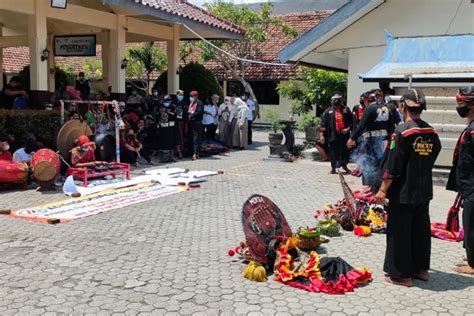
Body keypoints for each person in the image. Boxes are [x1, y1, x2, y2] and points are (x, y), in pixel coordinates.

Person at [374, 89, 441, 287]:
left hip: (403, 191)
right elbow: (432, 155)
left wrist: (383, 189)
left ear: (403, 106)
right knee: (420, 231)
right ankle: (421, 270)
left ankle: (401, 276)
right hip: (423, 190)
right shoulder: (432, 132)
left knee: (400, 232)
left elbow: (393, 165)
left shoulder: (402, 132)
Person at [447, 86, 474, 275]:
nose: (460, 107)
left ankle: (473, 264)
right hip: (468, 186)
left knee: (471, 224)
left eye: (463, 104)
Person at [348, 89, 395, 187]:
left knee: (368, 165)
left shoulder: (369, 109)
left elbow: (361, 126)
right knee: (380, 166)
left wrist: (352, 138)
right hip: (384, 143)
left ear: (367, 100)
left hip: (371, 144)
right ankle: (379, 187)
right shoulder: (386, 109)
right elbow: (391, 128)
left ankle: (369, 189)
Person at [320, 92, 353, 174]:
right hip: (332, 135)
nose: (336, 101)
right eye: (334, 100)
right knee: (333, 152)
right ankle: (333, 168)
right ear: (331, 101)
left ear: (341, 100)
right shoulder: (328, 111)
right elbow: (323, 124)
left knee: (345, 151)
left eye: (337, 99)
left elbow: (352, 122)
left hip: (344, 136)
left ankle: (344, 166)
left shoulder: (346, 110)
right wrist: (322, 136)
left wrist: (348, 129)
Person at [156, 95, 177, 161]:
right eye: (165, 100)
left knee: (170, 142)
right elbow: (156, 114)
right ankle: (163, 158)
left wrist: (169, 112)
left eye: (168, 100)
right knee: (163, 142)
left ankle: (171, 157)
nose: (166, 102)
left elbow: (176, 115)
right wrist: (161, 111)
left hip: (170, 127)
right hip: (162, 127)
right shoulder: (161, 106)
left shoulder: (173, 106)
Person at [188, 90, 204, 160]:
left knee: (196, 138)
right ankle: (193, 152)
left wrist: (192, 115)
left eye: (192, 96)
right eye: (190, 96)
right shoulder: (191, 103)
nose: (191, 98)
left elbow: (198, 112)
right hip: (191, 122)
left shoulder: (200, 103)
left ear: (196, 96)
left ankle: (196, 153)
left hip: (197, 122)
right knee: (192, 137)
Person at [175, 90, 187, 159]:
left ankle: (181, 152)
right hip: (175, 123)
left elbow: (185, 114)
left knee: (181, 137)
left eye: (182, 95)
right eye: (180, 95)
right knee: (177, 138)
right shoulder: (174, 103)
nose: (181, 96)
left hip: (182, 124)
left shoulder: (184, 103)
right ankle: (177, 152)